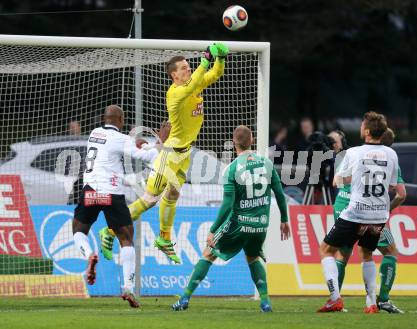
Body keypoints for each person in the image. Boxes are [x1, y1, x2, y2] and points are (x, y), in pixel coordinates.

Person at [99, 43, 229, 264]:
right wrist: (205, 60)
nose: (188, 69)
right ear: (174, 75)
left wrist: (220, 59)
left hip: (184, 154)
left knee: (172, 195)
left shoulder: (193, 85)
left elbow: (215, 74)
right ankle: (109, 231)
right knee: (149, 199)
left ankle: (164, 239)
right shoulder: (176, 93)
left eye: (189, 66)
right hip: (170, 155)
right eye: (184, 68)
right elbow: (194, 83)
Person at [172, 125, 290, 312]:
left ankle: (184, 299)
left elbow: (227, 205)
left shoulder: (232, 168)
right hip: (260, 226)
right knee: (252, 257)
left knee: (209, 253)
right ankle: (265, 302)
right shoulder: (267, 164)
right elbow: (280, 194)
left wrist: (213, 229)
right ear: (252, 140)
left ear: (234, 143)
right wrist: (284, 219)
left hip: (239, 224)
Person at [72, 105, 163, 308]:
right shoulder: (122, 139)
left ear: (105, 119)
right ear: (121, 120)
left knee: (78, 231)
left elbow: (119, 148)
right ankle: (128, 288)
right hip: (112, 193)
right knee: (126, 240)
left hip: (91, 192)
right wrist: (158, 144)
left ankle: (89, 255)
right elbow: (148, 157)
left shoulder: (94, 134)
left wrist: (138, 144)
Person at [318, 111, 405, 313]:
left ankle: (335, 298)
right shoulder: (392, 154)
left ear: (366, 131)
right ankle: (372, 303)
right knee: (367, 254)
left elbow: (338, 181)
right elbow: (394, 187)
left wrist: (345, 178)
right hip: (377, 215)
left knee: (326, 250)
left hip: (355, 213)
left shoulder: (354, 152)